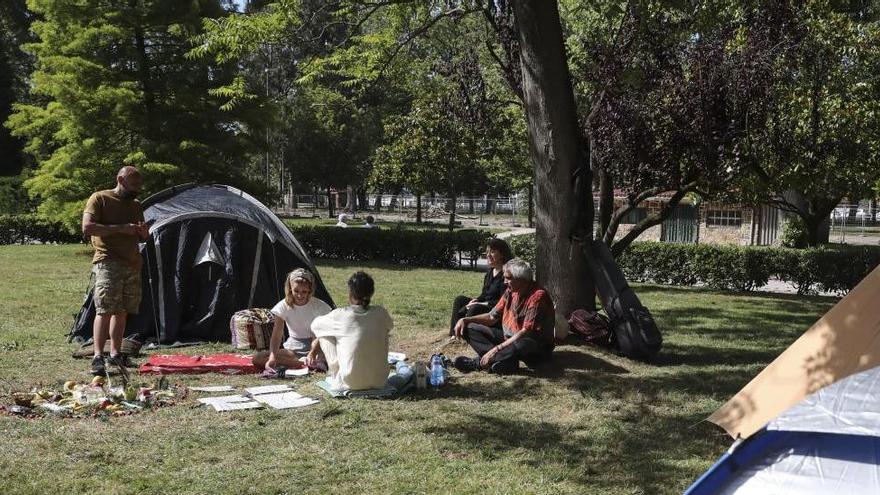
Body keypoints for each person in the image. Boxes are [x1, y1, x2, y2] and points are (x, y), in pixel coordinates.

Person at [82, 166, 150, 375]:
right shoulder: (100, 198)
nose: (137, 188)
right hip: (108, 262)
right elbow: (88, 228)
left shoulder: (136, 204)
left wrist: (143, 233)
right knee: (105, 309)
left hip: (132, 263)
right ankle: (97, 357)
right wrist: (121, 228)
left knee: (122, 311)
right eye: (133, 184)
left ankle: (115, 354)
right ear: (120, 179)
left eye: (139, 184)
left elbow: (141, 237)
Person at [452, 258, 555, 375]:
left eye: (508, 278)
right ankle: (506, 362)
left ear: (522, 279)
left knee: (524, 342)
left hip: (534, 347)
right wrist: (465, 319)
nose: (505, 281)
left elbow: (526, 332)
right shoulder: (510, 291)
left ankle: (479, 363)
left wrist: (496, 349)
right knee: (469, 327)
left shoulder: (538, 296)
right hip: (509, 341)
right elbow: (492, 317)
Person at [309, 271, 393, 391]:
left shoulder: (341, 314)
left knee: (324, 336)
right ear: (372, 293)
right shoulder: (381, 312)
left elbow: (315, 325)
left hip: (349, 383)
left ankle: (335, 374)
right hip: (380, 381)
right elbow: (390, 325)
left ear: (350, 292)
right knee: (382, 330)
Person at [252, 268, 332, 371]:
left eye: (304, 292)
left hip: (317, 345)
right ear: (290, 288)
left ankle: (310, 361)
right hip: (293, 348)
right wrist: (273, 356)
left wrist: (312, 352)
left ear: (310, 290)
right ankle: (304, 364)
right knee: (258, 358)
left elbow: (321, 334)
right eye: (296, 291)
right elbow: (276, 335)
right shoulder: (283, 306)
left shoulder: (319, 306)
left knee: (326, 355)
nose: (300, 295)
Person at [448, 238, 512, 336]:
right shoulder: (490, 272)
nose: (488, 255)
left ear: (502, 254)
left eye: (492, 252)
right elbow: (484, 295)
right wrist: (475, 300)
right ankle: (454, 334)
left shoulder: (506, 274)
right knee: (460, 300)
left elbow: (502, 301)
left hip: (495, 308)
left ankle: (466, 334)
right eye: (487, 252)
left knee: (475, 308)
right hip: (484, 303)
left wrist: (480, 303)